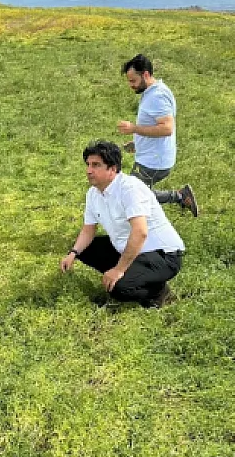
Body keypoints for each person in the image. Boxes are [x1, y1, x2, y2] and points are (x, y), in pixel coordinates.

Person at [60, 140, 185, 308]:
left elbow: (140, 232)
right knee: (85, 249)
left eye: (96, 165)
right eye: (88, 164)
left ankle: (159, 292)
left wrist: (118, 270)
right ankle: (136, 274)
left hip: (162, 255)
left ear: (112, 168)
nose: (89, 170)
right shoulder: (93, 193)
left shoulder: (130, 189)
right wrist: (73, 253)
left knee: (119, 289)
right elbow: (88, 229)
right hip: (131, 249)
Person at [117, 53, 198, 216]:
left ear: (145, 74)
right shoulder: (154, 90)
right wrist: (137, 143)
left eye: (133, 80)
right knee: (134, 194)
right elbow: (154, 124)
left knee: (132, 195)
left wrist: (134, 129)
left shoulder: (157, 96)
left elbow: (167, 128)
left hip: (153, 162)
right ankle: (180, 196)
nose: (130, 85)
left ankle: (180, 197)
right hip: (153, 157)